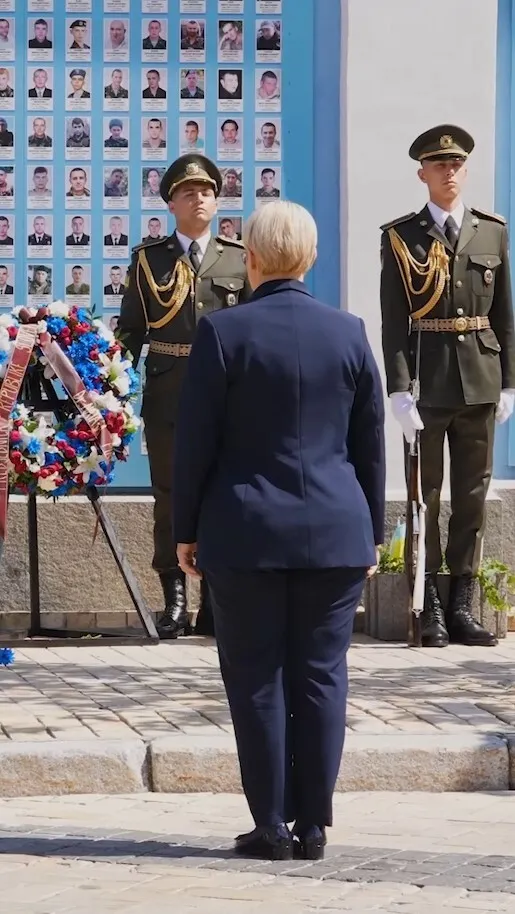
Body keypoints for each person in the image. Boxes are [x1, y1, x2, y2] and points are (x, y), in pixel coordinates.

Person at [172, 201, 385, 861]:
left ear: (252, 259)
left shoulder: (223, 333)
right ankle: (314, 823)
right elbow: (368, 442)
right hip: (334, 531)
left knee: (256, 676)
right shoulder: (347, 332)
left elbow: (195, 443)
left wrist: (184, 531)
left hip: (246, 530)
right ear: (311, 258)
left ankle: (269, 822)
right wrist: (372, 532)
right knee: (322, 674)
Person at [380, 124, 515, 649]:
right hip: (427, 381)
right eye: (439, 165)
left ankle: (462, 604)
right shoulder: (401, 236)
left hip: (480, 379)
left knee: (473, 496)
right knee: (426, 499)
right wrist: (398, 388)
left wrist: (508, 384)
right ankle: (428, 603)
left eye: (456, 164)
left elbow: (504, 313)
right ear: (423, 173)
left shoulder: (492, 231)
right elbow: (395, 319)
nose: (449, 172)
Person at [119, 153, 250, 640]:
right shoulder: (149, 259)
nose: (199, 199)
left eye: (207, 192)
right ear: (171, 203)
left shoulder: (239, 257)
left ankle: (215, 600)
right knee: (170, 497)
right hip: (169, 392)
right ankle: (173, 598)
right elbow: (131, 331)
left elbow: (254, 332)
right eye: (189, 192)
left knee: (221, 494)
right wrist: (112, 389)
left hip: (225, 396)